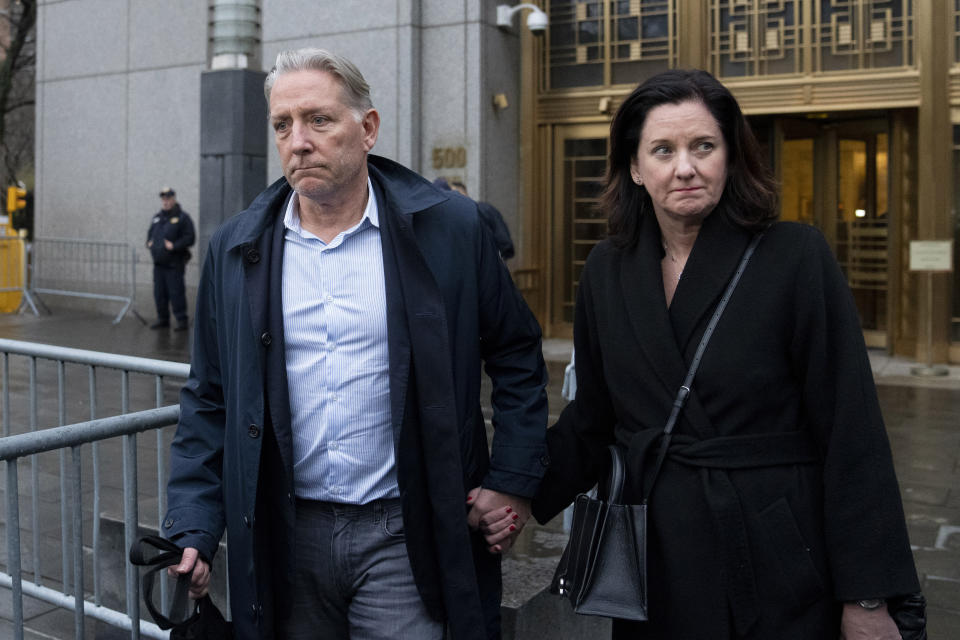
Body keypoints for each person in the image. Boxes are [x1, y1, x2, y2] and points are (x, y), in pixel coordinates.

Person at [163, 48, 548, 640]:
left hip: (407, 533)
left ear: (367, 128)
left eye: (319, 120)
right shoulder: (236, 249)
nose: (298, 141)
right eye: (282, 125)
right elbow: (209, 400)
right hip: (285, 535)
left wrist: (513, 479)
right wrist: (192, 526)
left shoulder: (451, 230)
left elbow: (518, 354)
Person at [531, 69, 921, 640]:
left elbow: (851, 431)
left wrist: (866, 595)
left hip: (776, 551)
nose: (684, 167)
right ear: (636, 168)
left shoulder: (795, 256)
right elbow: (593, 420)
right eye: (662, 150)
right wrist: (511, 492)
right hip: (655, 556)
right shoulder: (607, 272)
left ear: (732, 156)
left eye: (703, 146)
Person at [146, 187, 195, 330]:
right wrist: (149, 243)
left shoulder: (182, 217)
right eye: (163, 199)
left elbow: (190, 237)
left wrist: (174, 245)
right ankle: (163, 319)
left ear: (174, 199)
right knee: (159, 294)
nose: (165, 202)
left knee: (176, 293)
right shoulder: (157, 217)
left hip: (174, 264)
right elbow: (150, 234)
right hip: (159, 264)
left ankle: (181, 321)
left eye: (168, 199)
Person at [433, 177, 515, 259]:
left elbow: (502, 237)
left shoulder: (483, 209)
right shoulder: (451, 216)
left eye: (456, 193)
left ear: (464, 192)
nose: (455, 197)